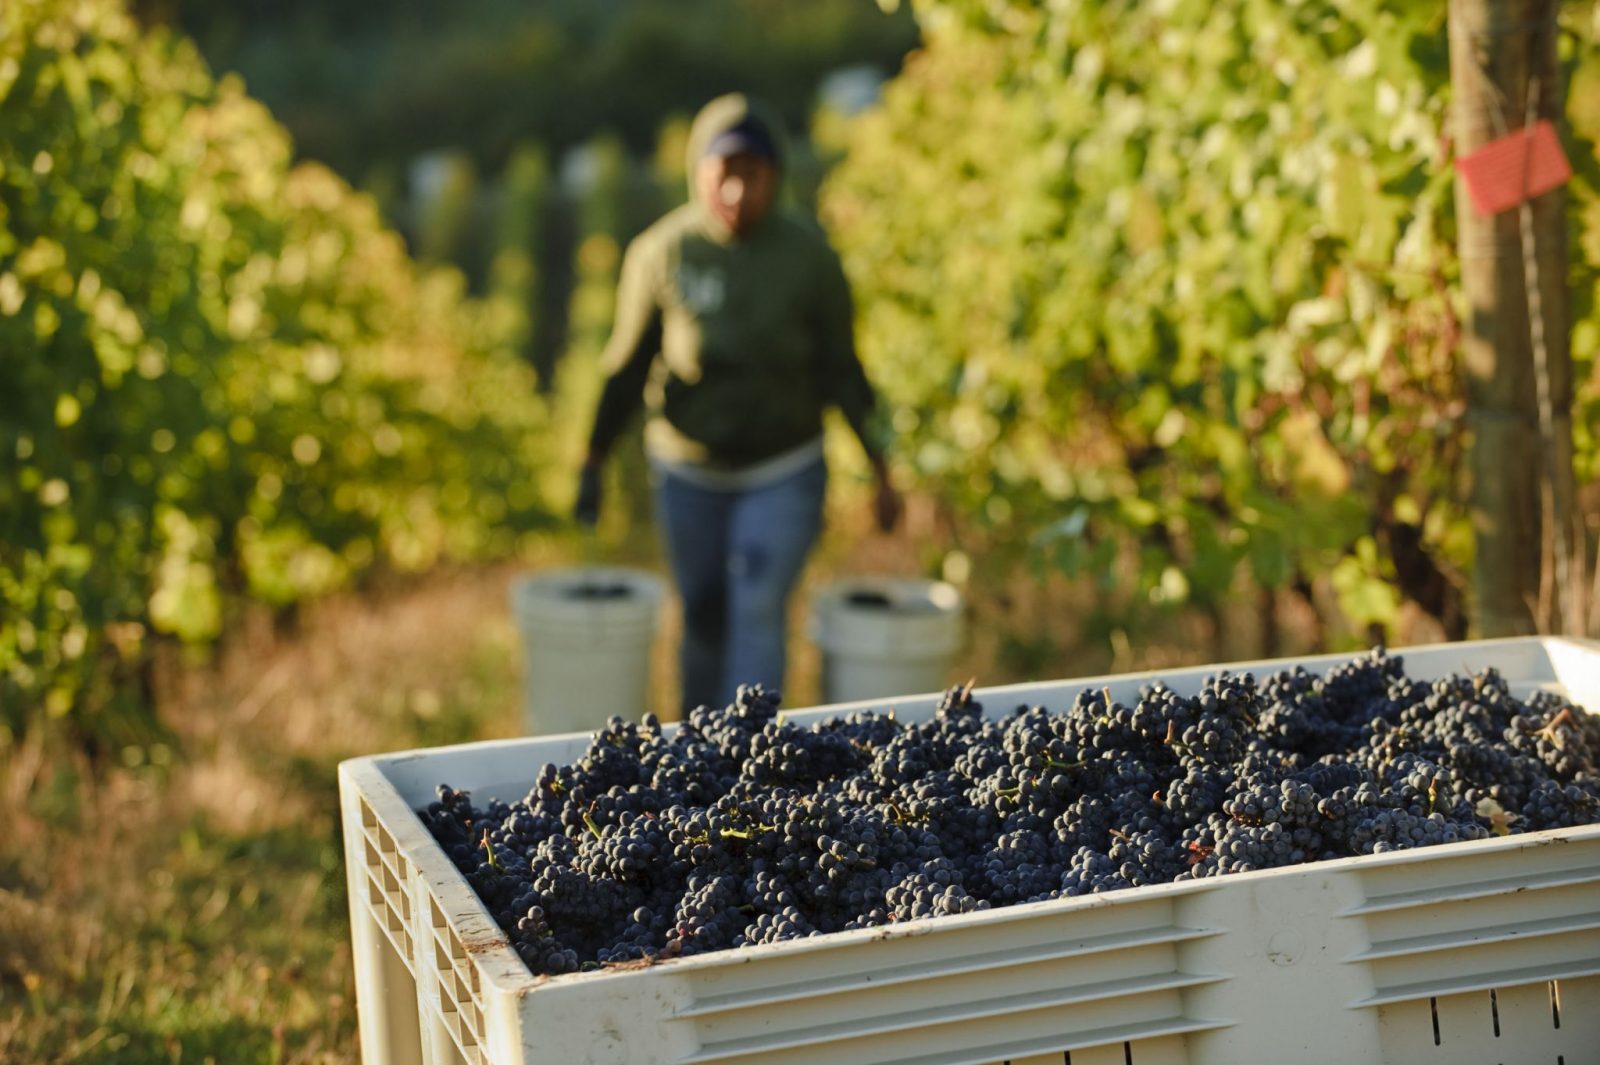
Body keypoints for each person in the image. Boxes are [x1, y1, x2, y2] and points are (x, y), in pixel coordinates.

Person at [574, 92, 900, 714]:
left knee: (756, 602)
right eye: (723, 175)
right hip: (687, 469)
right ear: (699, 174)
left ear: (775, 178)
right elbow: (625, 367)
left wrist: (882, 467)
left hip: (783, 465)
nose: (736, 193)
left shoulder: (808, 258)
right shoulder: (664, 253)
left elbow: (844, 368)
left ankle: (752, 760)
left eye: (752, 176)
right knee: (702, 611)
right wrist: (592, 459)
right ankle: (698, 755)